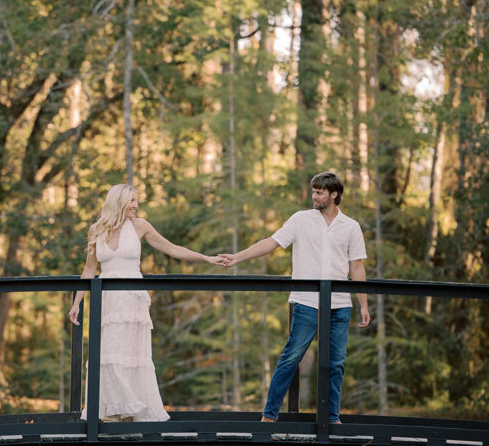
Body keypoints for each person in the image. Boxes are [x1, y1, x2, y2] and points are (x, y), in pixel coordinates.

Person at [219, 171, 371, 424]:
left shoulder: (351, 226)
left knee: (336, 363)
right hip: (306, 302)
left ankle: (332, 419)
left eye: (319, 192)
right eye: (313, 191)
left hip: (340, 305)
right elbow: (271, 242)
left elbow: (357, 266)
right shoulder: (300, 219)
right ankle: (269, 416)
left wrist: (363, 304)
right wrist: (237, 257)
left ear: (334, 194)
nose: (314, 196)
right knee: (291, 357)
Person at [69, 183, 225, 422]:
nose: (136, 205)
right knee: (107, 353)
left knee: (129, 353)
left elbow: (172, 249)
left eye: (136, 200)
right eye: (132, 200)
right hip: (107, 301)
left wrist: (207, 259)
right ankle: (113, 410)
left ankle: (129, 411)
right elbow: (89, 269)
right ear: (119, 202)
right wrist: (77, 303)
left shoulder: (140, 226)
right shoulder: (96, 230)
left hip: (132, 298)